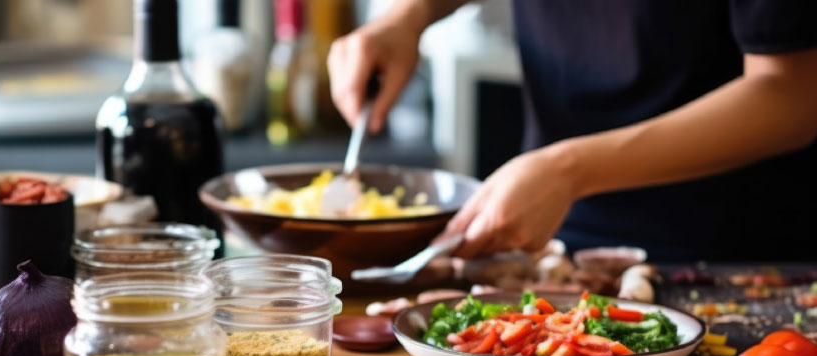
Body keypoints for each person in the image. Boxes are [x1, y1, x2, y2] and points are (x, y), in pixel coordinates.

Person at [328, 0, 817, 261]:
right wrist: (408, 15)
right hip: (553, 242)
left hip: (733, 253)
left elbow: (794, 97)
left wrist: (568, 170)